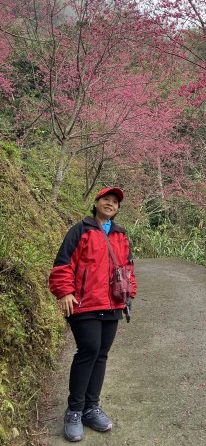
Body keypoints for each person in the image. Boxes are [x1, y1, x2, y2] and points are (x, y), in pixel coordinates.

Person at [49, 186, 137, 442]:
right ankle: (74, 411)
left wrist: (129, 294)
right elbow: (63, 262)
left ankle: (91, 407)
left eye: (115, 202)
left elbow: (128, 267)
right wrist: (64, 292)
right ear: (96, 202)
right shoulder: (81, 230)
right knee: (89, 350)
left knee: (101, 354)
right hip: (85, 303)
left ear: (118, 209)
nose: (110, 204)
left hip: (112, 304)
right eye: (106, 200)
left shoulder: (120, 235)